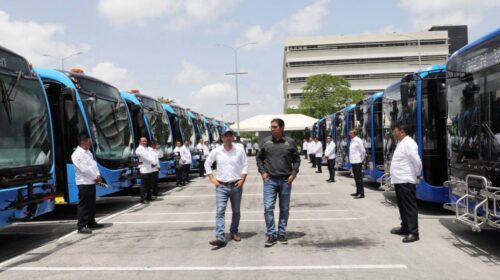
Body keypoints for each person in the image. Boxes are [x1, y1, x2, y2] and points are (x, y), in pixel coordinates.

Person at [256, 118, 301, 247]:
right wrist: (263, 172)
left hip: (286, 181)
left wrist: (293, 175)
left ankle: (281, 234)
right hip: (270, 180)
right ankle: (271, 235)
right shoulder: (266, 142)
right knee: (268, 208)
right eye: (271, 127)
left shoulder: (290, 142)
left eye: (275, 126)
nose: (272, 129)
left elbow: (297, 160)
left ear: (282, 128)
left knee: (284, 208)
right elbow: (259, 159)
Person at [205, 128, 248, 247]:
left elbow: (245, 164)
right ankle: (220, 237)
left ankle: (234, 232)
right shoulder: (216, 151)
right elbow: (207, 163)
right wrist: (212, 178)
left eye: (230, 135)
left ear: (232, 137)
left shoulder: (239, 150)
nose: (228, 138)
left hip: (236, 185)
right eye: (225, 136)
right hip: (221, 186)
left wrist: (242, 179)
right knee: (220, 211)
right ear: (222, 137)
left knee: (236, 211)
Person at [389, 124, 422, 243]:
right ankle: (405, 227)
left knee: (409, 207)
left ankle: (413, 232)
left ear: (402, 131)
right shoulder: (401, 142)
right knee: (402, 206)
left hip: (406, 180)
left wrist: (417, 174)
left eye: (395, 131)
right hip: (399, 179)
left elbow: (417, 161)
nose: (394, 133)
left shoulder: (409, 143)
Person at [71, 135, 104, 234]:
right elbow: (84, 169)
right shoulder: (76, 154)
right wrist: (95, 177)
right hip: (83, 182)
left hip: (92, 181)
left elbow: (94, 165)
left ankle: (91, 222)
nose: (90, 144)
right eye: (88, 142)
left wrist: (98, 174)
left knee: (91, 204)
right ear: (83, 142)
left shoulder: (88, 152)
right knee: (84, 205)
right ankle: (81, 226)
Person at [136, 137, 156, 204]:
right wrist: (153, 162)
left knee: (149, 184)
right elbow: (146, 157)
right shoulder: (139, 149)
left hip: (149, 168)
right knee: (144, 185)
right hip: (144, 169)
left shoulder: (146, 148)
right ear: (139, 142)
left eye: (146, 141)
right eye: (143, 141)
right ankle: (143, 199)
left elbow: (151, 156)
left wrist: (153, 162)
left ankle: (149, 197)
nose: (145, 142)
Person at [349, 129, 366, 199]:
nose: (349, 134)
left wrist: (361, 160)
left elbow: (363, 151)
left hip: (357, 161)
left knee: (359, 178)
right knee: (356, 178)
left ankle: (361, 193)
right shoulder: (352, 141)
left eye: (351, 133)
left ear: (354, 133)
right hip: (353, 161)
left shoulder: (358, 140)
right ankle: (358, 192)